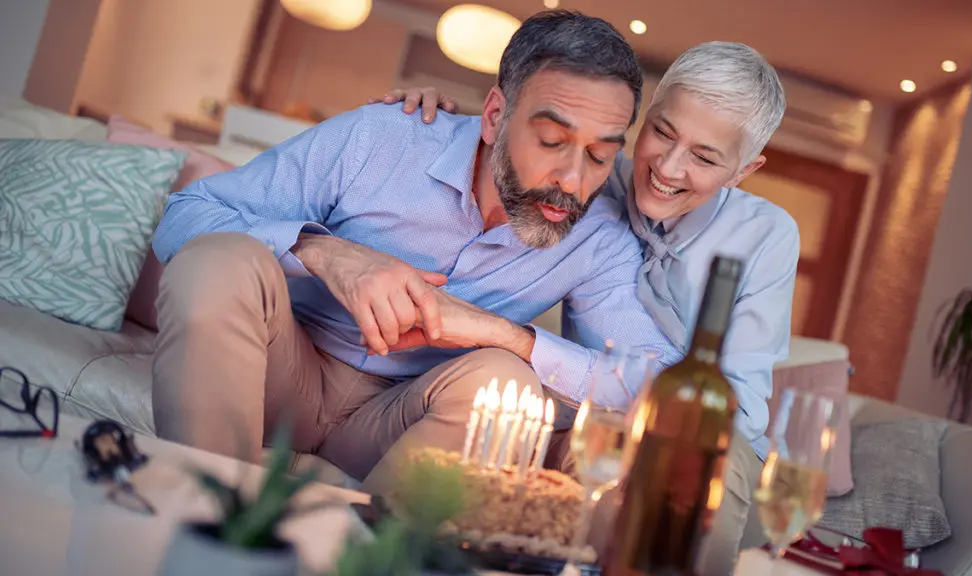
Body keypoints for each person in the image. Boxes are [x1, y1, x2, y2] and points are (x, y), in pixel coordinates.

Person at [148, 10, 679, 498]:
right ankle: (203, 521)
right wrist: (325, 252)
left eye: (599, 155)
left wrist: (503, 335)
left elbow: (658, 392)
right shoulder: (382, 137)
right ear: (494, 116)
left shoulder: (599, 236)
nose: (572, 179)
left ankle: (364, 552)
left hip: (399, 418)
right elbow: (185, 217)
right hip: (278, 370)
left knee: (505, 379)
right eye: (550, 141)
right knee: (218, 263)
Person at [374, 40, 799, 575]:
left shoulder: (767, 235)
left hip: (707, 441)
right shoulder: (591, 173)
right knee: (503, 434)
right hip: (585, 411)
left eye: (705, 157)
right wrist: (450, 125)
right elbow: (516, 137)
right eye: (662, 132)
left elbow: (738, 406)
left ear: (743, 170)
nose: (667, 167)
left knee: (690, 468)